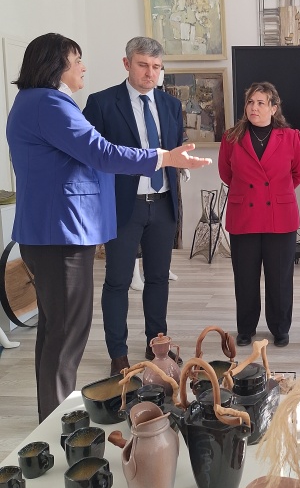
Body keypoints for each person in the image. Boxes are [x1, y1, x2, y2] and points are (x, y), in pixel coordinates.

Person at [6, 33, 210, 421]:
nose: (83, 67)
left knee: (55, 332)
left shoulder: (32, 101)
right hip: (62, 231)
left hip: (51, 230)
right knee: (67, 334)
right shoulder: (50, 104)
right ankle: (58, 423)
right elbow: (101, 152)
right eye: (77, 60)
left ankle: (51, 416)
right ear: (56, 65)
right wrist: (163, 158)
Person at [84, 37, 185, 376]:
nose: (150, 73)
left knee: (158, 279)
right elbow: (90, 156)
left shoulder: (171, 105)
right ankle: (118, 354)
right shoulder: (101, 103)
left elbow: (173, 152)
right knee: (117, 281)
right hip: (123, 206)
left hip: (163, 204)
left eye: (156, 67)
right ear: (127, 64)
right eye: (143, 65)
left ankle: (157, 346)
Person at [218, 81, 300, 348]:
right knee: (245, 277)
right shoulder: (231, 137)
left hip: (279, 215)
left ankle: (280, 329)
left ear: (274, 107)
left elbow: (299, 172)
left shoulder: (291, 136)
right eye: (250, 102)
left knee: (280, 278)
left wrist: (275, 193)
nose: (253, 108)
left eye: (260, 103)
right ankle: (245, 329)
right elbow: (226, 174)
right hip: (244, 215)